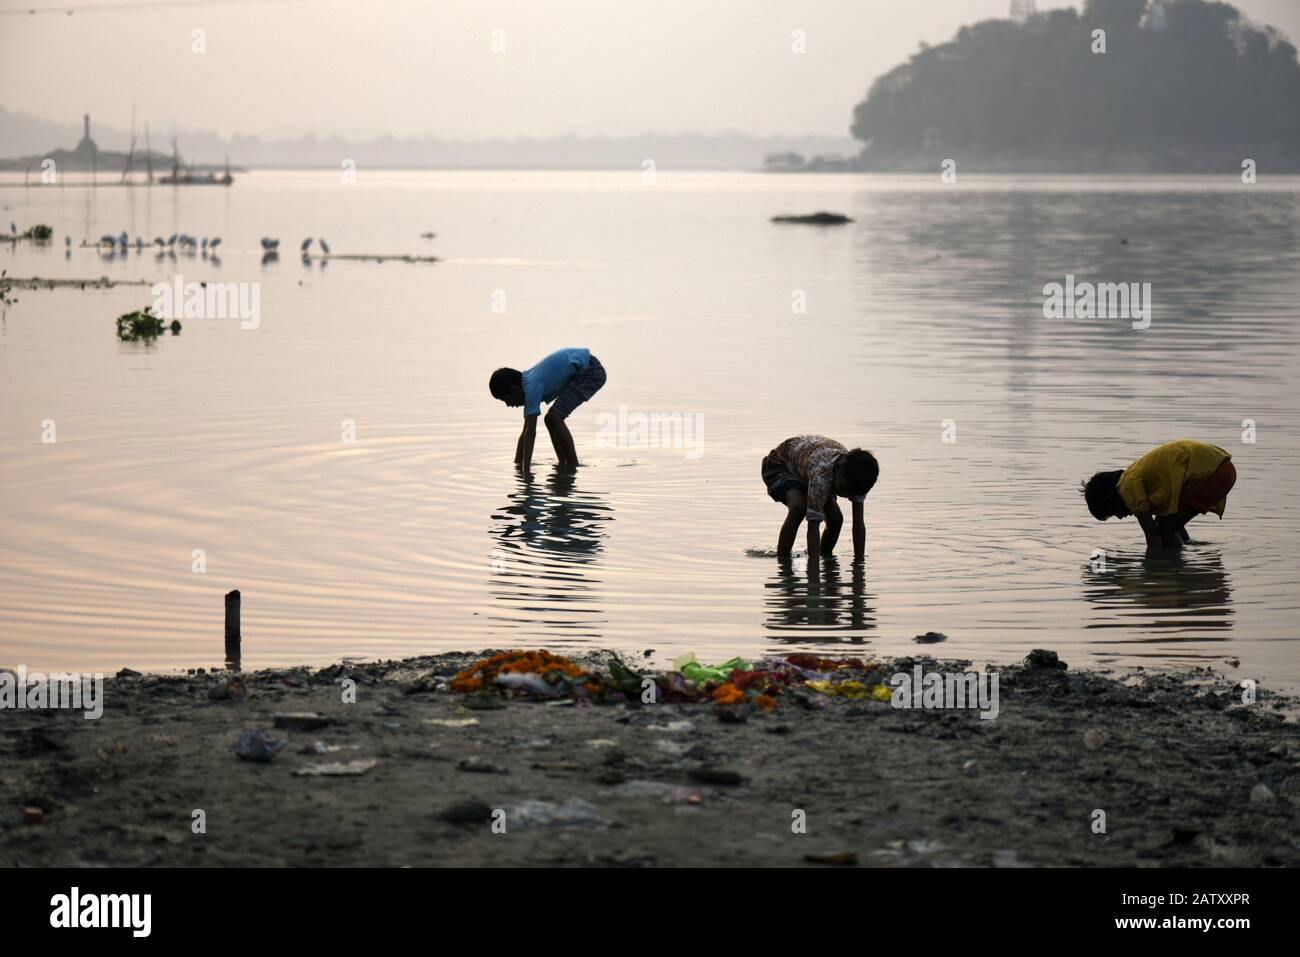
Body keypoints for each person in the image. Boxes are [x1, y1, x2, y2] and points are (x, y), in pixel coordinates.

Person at [1081, 439, 1236, 551]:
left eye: (1113, 513)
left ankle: (1173, 572)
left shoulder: (1127, 488)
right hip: (1222, 466)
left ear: (1110, 499)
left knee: (1165, 528)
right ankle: (1187, 557)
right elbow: (1173, 523)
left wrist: (1152, 570)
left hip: (1213, 474)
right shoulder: (1134, 476)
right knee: (1169, 523)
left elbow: (1153, 537)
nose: (1121, 517)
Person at [761, 435, 879, 565]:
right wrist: (813, 573)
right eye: (843, 489)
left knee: (836, 519)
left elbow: (858, 524)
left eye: (851, 493)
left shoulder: (860, 479)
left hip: (808, 464)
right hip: (781, 464)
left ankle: (825, 557)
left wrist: (859, 565)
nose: (846, 495)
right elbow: (813, 528)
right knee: (798, 507)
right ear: (838, 469)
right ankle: (782, 562)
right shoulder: (822, 477)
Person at [489, 348, 606, 470]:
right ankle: (564, 464)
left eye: (506, 400)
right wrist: (518, 463)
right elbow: (525, 433)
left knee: (554, 418)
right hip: (584, 367)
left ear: (514, 390)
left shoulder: (531, 388)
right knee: (551, 419)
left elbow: (530, 433)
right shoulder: (528, 384)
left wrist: (526, 469)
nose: (508, 405)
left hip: (590, 372)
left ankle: (572, 466)